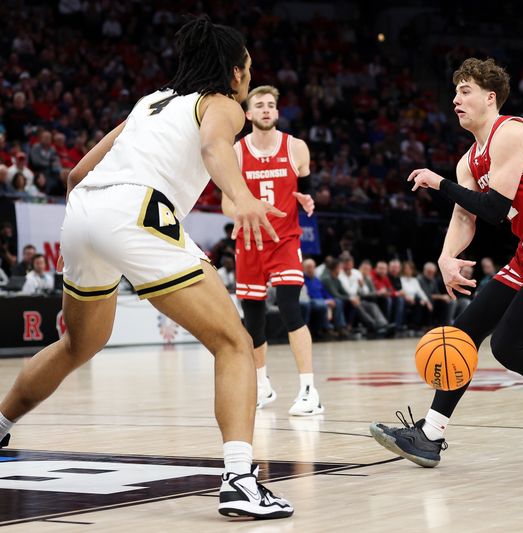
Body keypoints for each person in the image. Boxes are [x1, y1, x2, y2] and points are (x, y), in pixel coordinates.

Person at [0, 17, 293, 519]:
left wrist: (87, 257)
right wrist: (240, 195)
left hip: (84, 212)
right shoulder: (222, 104)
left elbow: (75, 175)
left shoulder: (148, 103)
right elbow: (213, 148)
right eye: (247, 68)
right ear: (236, 73)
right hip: (137, 212)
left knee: (78, 343)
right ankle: (241, 481)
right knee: (234, 343)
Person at [370, 58, 523, 468]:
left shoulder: (511, 132)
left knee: (507, 345)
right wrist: (446, 257)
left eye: (465, 91)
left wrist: (439, 183)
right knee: (462, 335)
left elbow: (494, 208)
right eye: (455, 91)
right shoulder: (468, 159)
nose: (455, 99)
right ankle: (430, 436)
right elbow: (465, 217)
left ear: (489, 97)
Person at [220, 84, 322, 416]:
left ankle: (309, 390)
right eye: (259, 105)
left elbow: (305, 191)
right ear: (247, 114)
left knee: (292, 310)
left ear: (277, 112)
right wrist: (245, 210)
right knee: (253, 321)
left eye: (271, 105)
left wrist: (306, 200)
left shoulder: (296, 148)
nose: (266, 109)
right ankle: (262, 386)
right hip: (249, 243)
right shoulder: (235, 152)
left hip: (284, 241)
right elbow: (225, 203)